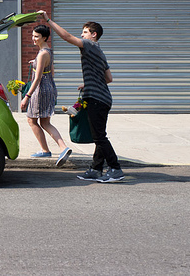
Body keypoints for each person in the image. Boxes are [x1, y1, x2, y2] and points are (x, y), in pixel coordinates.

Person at [37, 10, 124, 182]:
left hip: (97, 99)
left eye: (84, 32)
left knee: (99, 136)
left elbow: (67, 37)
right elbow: (109, 78)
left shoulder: (89, 45)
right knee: (99, 135)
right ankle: (96, 169)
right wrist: (88, 83)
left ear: (94, 34)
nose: (81, 35)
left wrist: (48, 19)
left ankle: (115, 169)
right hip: (103, 98)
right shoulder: (99, 51)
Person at [21, 25, 72, 167]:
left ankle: (51, 149)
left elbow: (37, 79)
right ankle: (59, 148)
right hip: (49, 87)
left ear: (44, 37)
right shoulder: (48, 51)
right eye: (32, 35)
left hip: (41, 89)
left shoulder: (42, 53)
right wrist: (36, 63)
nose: (33, 38)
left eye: (36, 36)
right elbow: (50, 70)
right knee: (44, 122)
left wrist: (27, 96)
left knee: (32, 121)